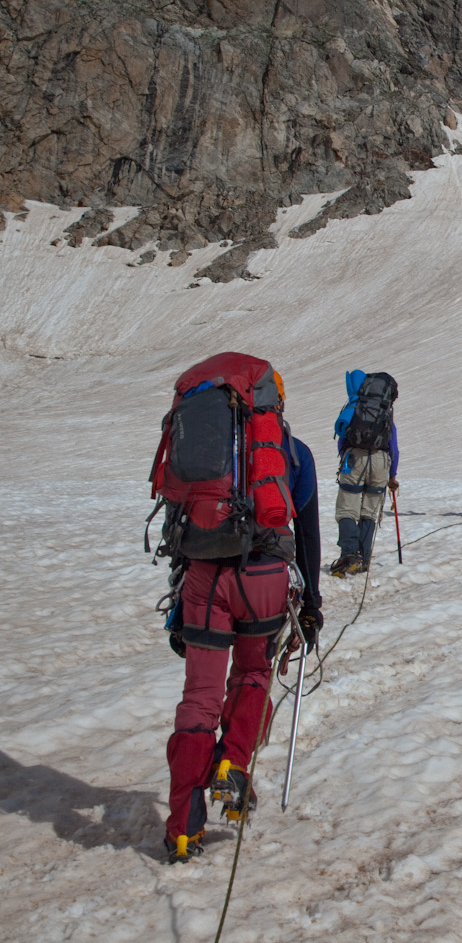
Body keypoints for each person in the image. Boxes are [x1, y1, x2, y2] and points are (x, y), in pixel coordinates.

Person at [156, 368, 323, 863]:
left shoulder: (196, 450)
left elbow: (178, 530)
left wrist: (179, 613)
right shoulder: (292, 453)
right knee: (252, 674)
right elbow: (308, 533)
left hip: (205, 583)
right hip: (266, 580)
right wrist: (310, 602)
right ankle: (232, 763)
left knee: (199, 699)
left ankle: (184, 826)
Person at [331, 371, 398, 577]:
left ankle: (349, 555)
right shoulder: (384, 411)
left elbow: (342, 439)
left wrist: (347, 457)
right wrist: (392, 476)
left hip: (355, 458)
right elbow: (393, 446)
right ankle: (364, 557)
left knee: (347, 508)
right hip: (380, 461)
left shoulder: (355, 406)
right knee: (370, 510)